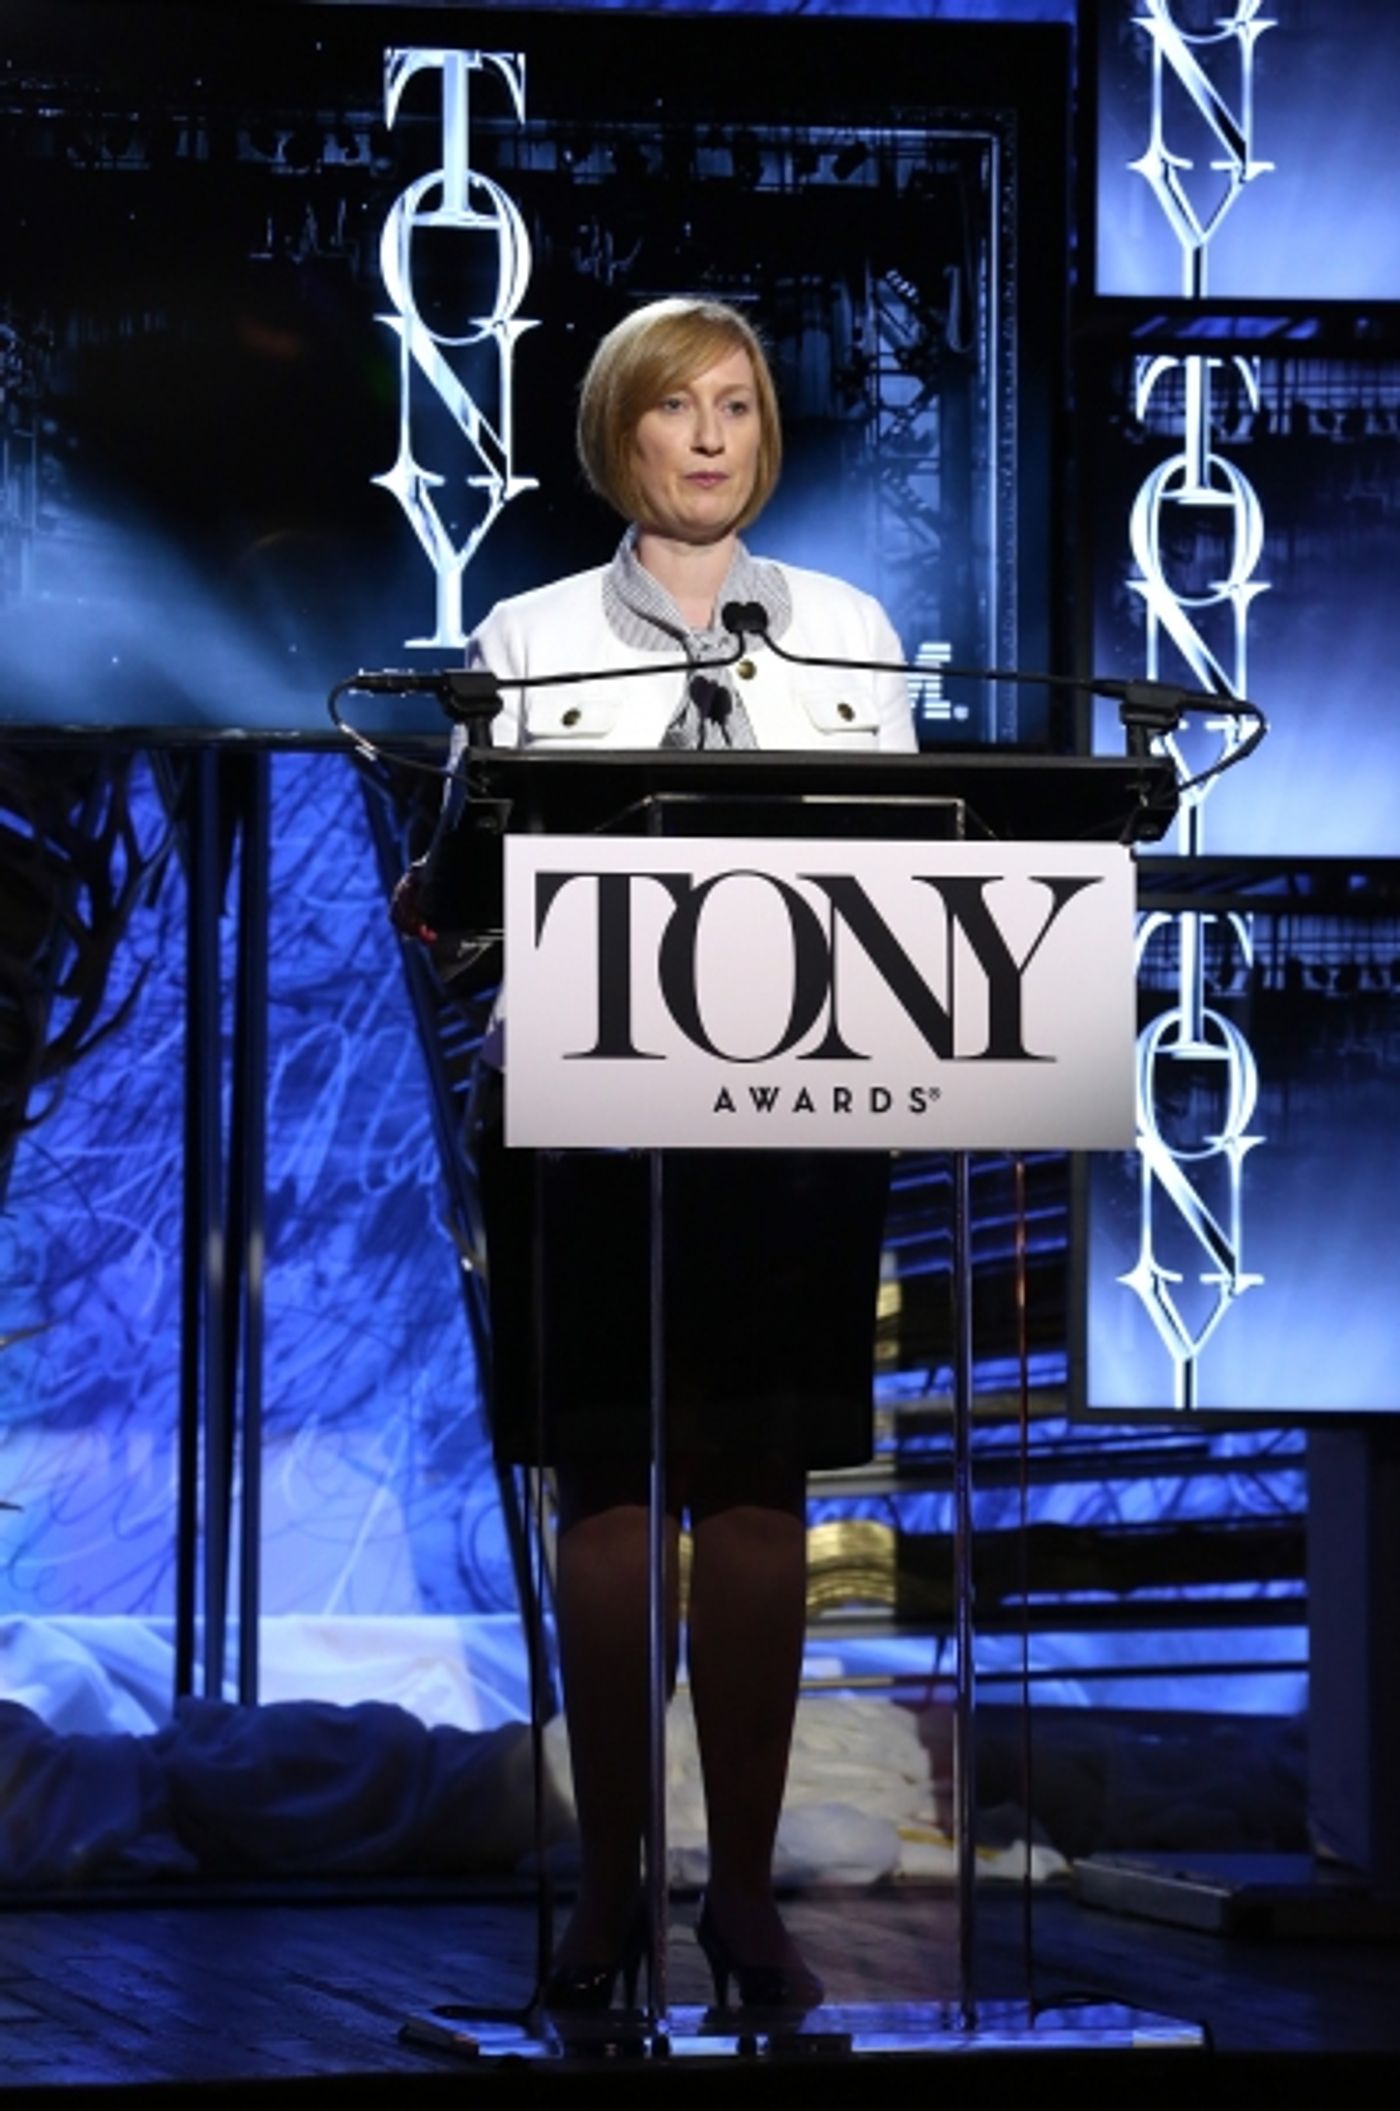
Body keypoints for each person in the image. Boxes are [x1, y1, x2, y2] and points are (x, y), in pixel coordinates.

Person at [397, 298, 916, 2010]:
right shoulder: (530, 633)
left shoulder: (850, 629)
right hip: (591, 1124)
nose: (710, 438)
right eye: (677, 408)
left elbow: (919, 875)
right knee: (611, 1487)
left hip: (800, 1126)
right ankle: (611, 1892)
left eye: (739, 408)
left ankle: (743, 1898)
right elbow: (469, 885)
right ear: (618, 433)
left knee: (760, 1495)